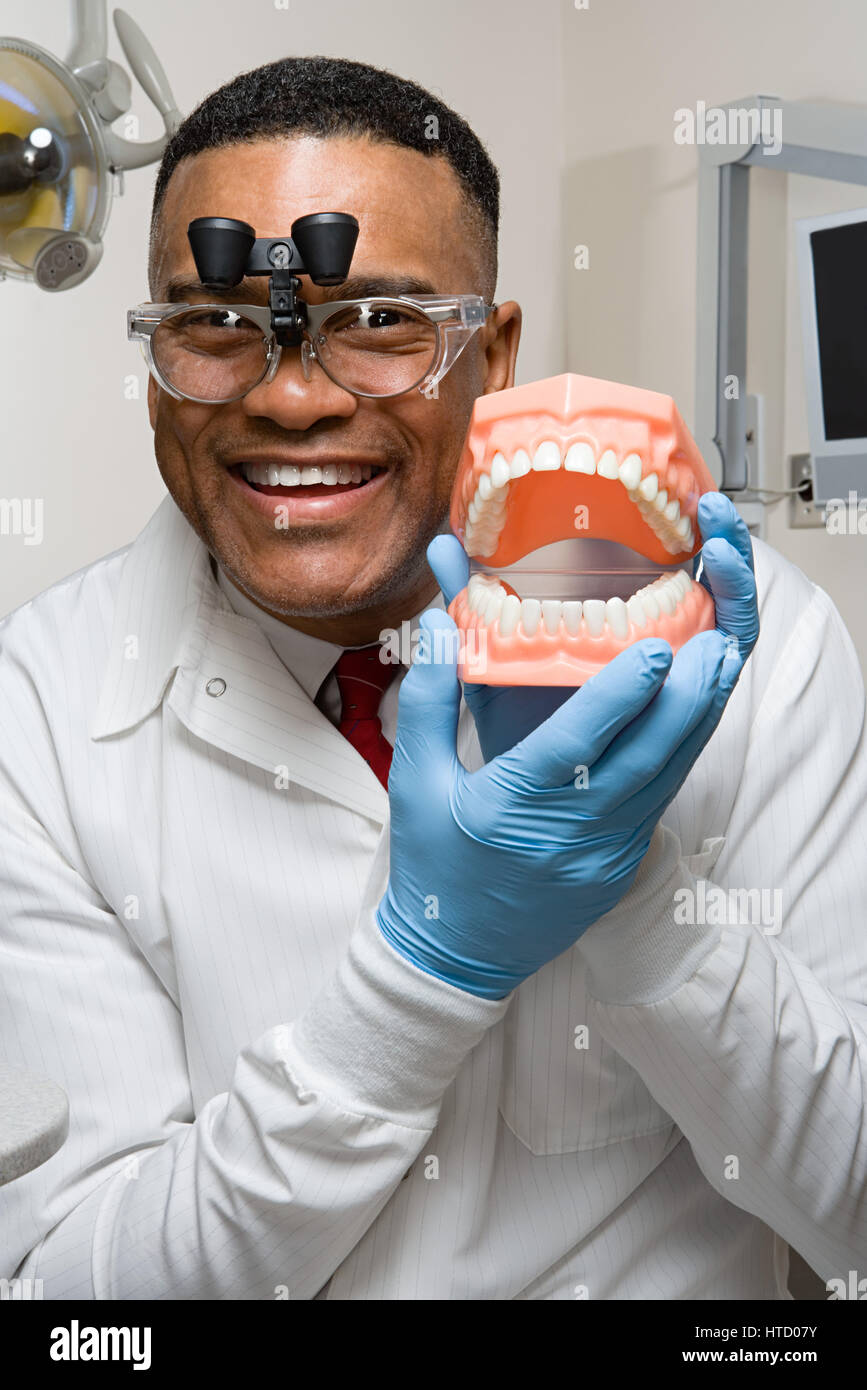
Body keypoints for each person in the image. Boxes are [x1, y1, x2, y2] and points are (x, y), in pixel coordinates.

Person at [0, 55, 864, 1301]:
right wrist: (421, 972)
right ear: (154, 366)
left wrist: (641, 904)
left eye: (377, 324)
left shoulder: (759, 648)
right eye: (217, 325)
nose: (294, 396)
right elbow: (78, 1310)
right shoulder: (36, 714)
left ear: (493, 354)